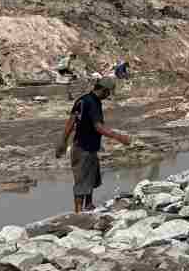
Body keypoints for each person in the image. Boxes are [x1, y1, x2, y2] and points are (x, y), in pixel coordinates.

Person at [55, 78, 132, 214]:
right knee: (81, 181)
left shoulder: (82, 100)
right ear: (104, 90)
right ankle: (78, 213)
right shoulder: (93, 103)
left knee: (90, 178)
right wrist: (119, 137)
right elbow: (98, 127)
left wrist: (63, 141)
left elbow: (70, 122)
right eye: (108, 93)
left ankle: (89, 205)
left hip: (85, 146)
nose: (108, 95)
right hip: (83, 148)